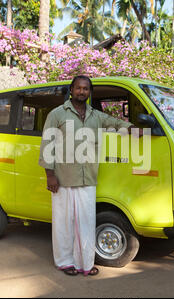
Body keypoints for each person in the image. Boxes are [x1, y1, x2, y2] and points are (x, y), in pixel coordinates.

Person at [38, 75, 142, 276]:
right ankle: (64, 262)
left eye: (85, 89)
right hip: (63, 178)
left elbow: (117, 124)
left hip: (88, 179)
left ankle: (85, 264)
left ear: (89, 92)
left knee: (86, 222)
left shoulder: (96, 116)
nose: (82, 92)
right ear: (71, 90)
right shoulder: (57, 114)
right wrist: (50, 175)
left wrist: (138, 130)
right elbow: (47, 145)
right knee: (63, 223)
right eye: (78, 88)